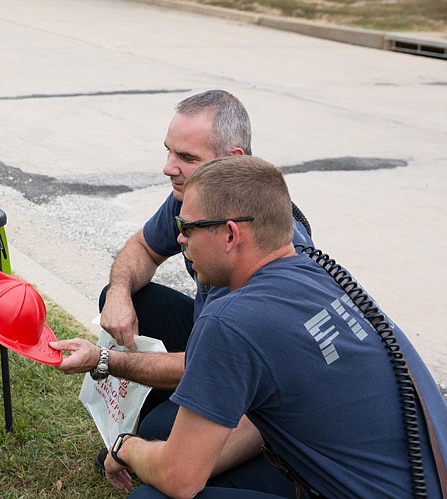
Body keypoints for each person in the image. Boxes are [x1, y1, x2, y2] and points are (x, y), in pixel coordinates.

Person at [98, 156, 447, 498]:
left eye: (187, 228)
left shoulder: (232, 320)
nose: (180, 239)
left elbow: (179, 479)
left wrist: (127, 448)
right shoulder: (318, 274)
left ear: (231, 235)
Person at [53, 90, 314, 449]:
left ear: (230, 159)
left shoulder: (271, 245)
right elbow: (143, 247)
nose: (168, 167)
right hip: (214, 338)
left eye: (187, 156)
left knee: (151, 436)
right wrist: (117, 294)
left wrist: (103, 360)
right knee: (127, 293)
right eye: (169, 150)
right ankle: (159, 408)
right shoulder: (194, 196)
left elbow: (210, 360)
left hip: (249, 380)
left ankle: (163, 421)